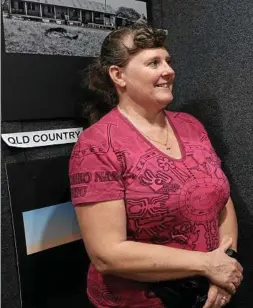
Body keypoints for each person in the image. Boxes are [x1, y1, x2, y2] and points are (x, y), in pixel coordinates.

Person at [68, 22, 243, 308]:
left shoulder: (191, 126)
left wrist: (226, 268)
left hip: (207, 294)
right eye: (153, 62)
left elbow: (221, 202)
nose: (169, 70)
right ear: (118, 75)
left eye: (168, 61)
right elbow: (107, 254)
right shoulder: (97, 145)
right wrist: (207, 265)